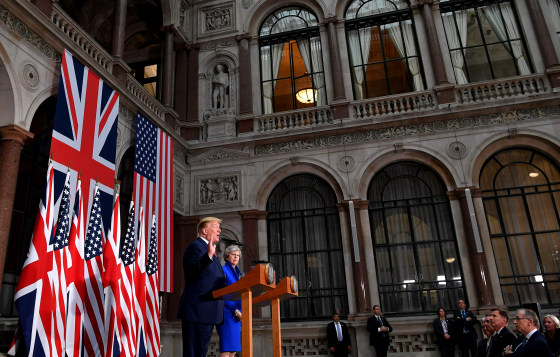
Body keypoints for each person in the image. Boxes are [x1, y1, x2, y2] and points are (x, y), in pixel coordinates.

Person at [177, 217, 226, 357]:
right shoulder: (196, 246)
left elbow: (211, 278)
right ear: (205, 231)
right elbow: (191, 271)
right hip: (197, 310)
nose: (219, 230)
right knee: (193, 353)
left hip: (206, 312)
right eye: (216, 227)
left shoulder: (209, 250)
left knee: (200, 353)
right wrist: (209, 255)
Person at [216, 245, 243, 357]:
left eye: (237, 255)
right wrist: (236, 310)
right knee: (226, 350)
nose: (236, 257)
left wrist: (240, 311)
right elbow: (221, 293)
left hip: (237, 316)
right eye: (233, 255)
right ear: (227, 257)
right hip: (227, 313)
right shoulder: (223, 270)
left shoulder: (238, 273)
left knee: (233, 351)